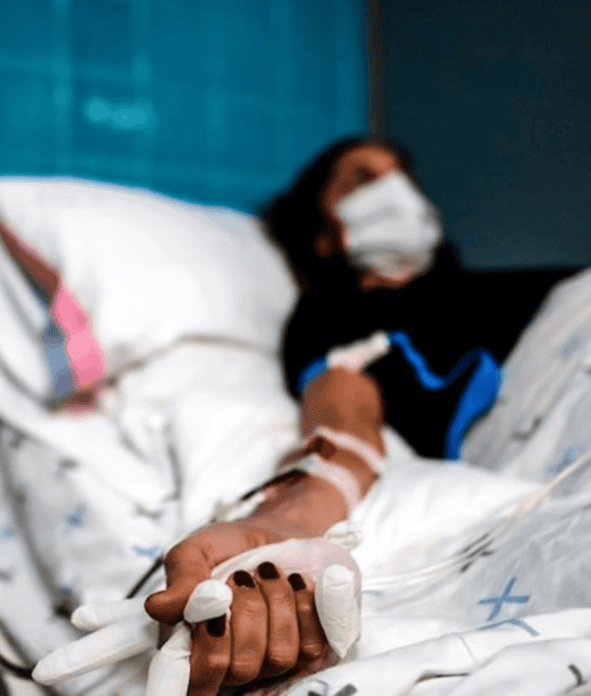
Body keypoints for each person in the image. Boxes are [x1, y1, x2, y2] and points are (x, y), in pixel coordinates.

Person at [142, 137, 578, 695]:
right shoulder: (331, 313)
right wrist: (290, 519)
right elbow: (344, 406)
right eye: (362, 179)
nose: (395, 190)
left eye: (402, 175)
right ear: (323, 233)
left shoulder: (502, 291)